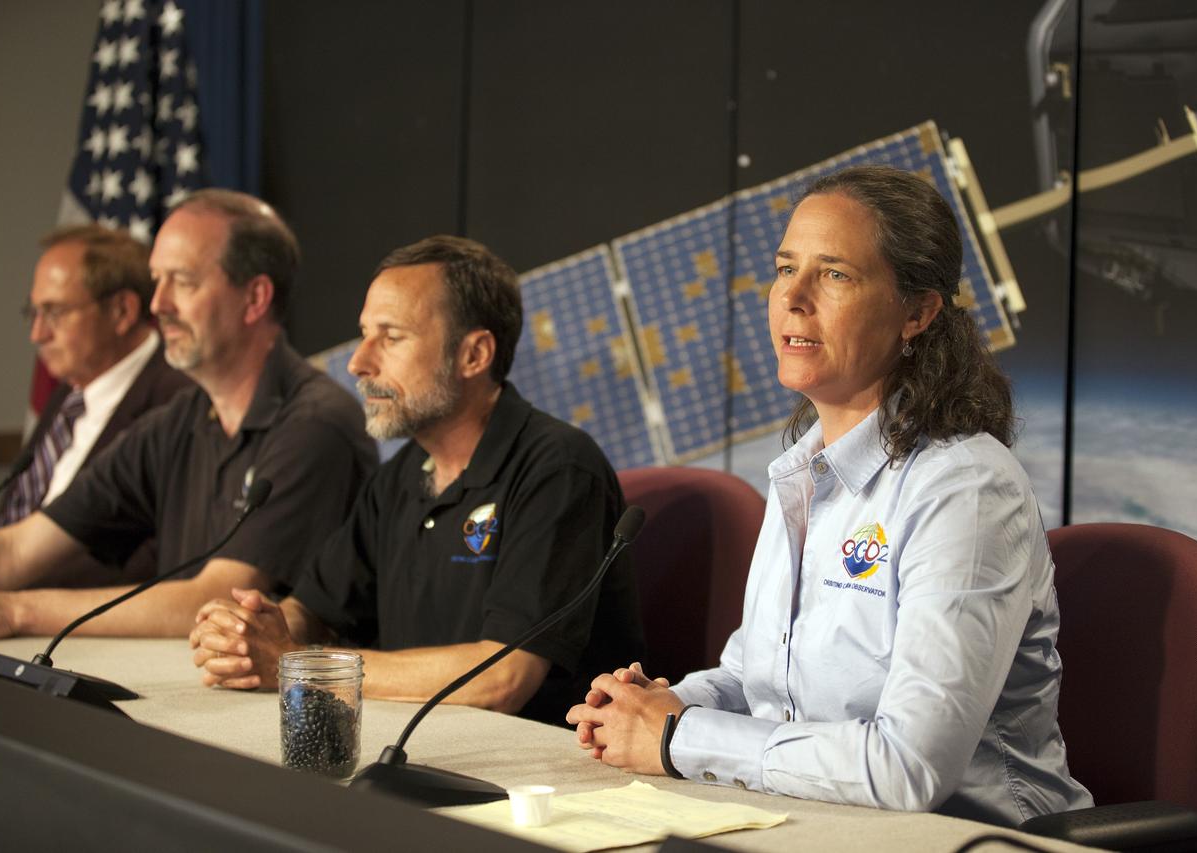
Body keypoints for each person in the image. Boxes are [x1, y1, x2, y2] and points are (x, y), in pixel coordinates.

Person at [566, 166, 1094, 825]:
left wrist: (679, 737)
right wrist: (650, 705)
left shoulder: (967, 488)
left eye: (835, 274)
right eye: (786, 268)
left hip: (969, 837)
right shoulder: (800, 469)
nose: (793, 297)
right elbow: (759, 681)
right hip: (813, 824)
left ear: (918, 311)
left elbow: (909, 766)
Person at [189, 235, 644, 724]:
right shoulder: (401, 475)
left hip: (532, 779)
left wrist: (293, 664)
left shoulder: (558, 468)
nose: (358, 363)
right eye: (364, 334)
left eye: (391, 337)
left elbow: (502, 678)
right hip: (414, 752)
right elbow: (316, 608)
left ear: (474, 355)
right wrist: (250, 631)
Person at [0, 189, 377, 640]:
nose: (158, 305)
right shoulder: (176, 421)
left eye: (184, 282)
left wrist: (17, 612)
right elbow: (18, 549)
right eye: (157, 280)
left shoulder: (316, 423)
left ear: (254, 299)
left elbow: (217, 602)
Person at [0, 225, 192, 530]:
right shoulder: (69, 394)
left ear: (121, 312)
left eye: (54, 312)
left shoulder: (177, 401)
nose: (38, 334)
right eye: (33, 313)